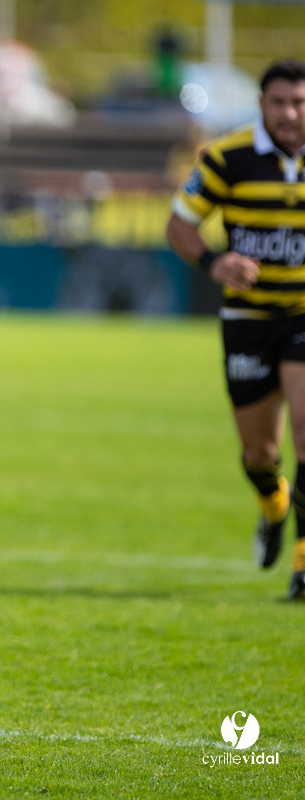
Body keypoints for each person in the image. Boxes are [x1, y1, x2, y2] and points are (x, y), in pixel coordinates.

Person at [166, 58, 305, 600]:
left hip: (300, 314)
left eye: (299, 102)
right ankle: (273, 503)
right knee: (258, 453)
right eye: (279, 103)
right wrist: (214, 263)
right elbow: (179, 225)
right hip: (247, 320)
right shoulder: (229, 158)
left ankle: (301, 563)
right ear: (262, 106)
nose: (290, 113)